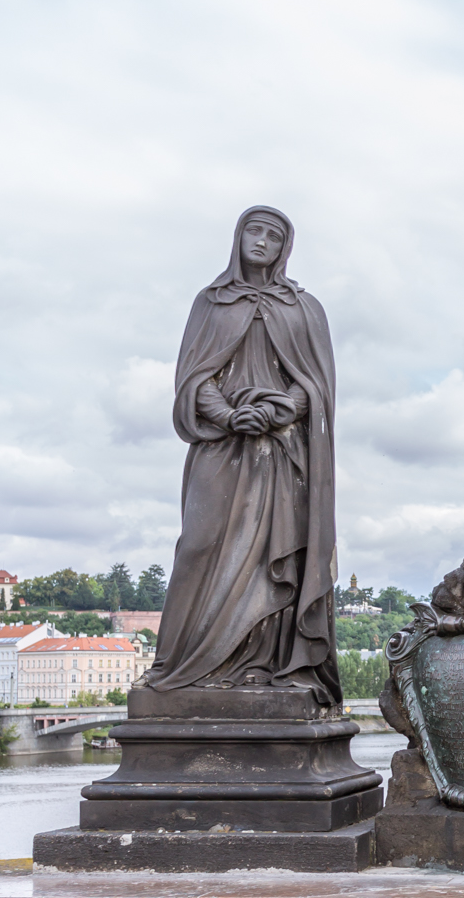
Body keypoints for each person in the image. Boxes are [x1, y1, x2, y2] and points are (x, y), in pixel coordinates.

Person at [144, 206, 340, 704]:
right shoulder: (210, 302)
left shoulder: (303, 307)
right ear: (238, 238)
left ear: (284, 248)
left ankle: (262, 664)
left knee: (277, 559)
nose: (262, 241)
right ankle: (178, 664)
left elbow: (316, 385)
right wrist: (231, 416)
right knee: (199, 545)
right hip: (222, 443)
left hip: (281, 452)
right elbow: (193, 376)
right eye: (254, 230)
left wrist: (279, 412)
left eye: (274, 236)